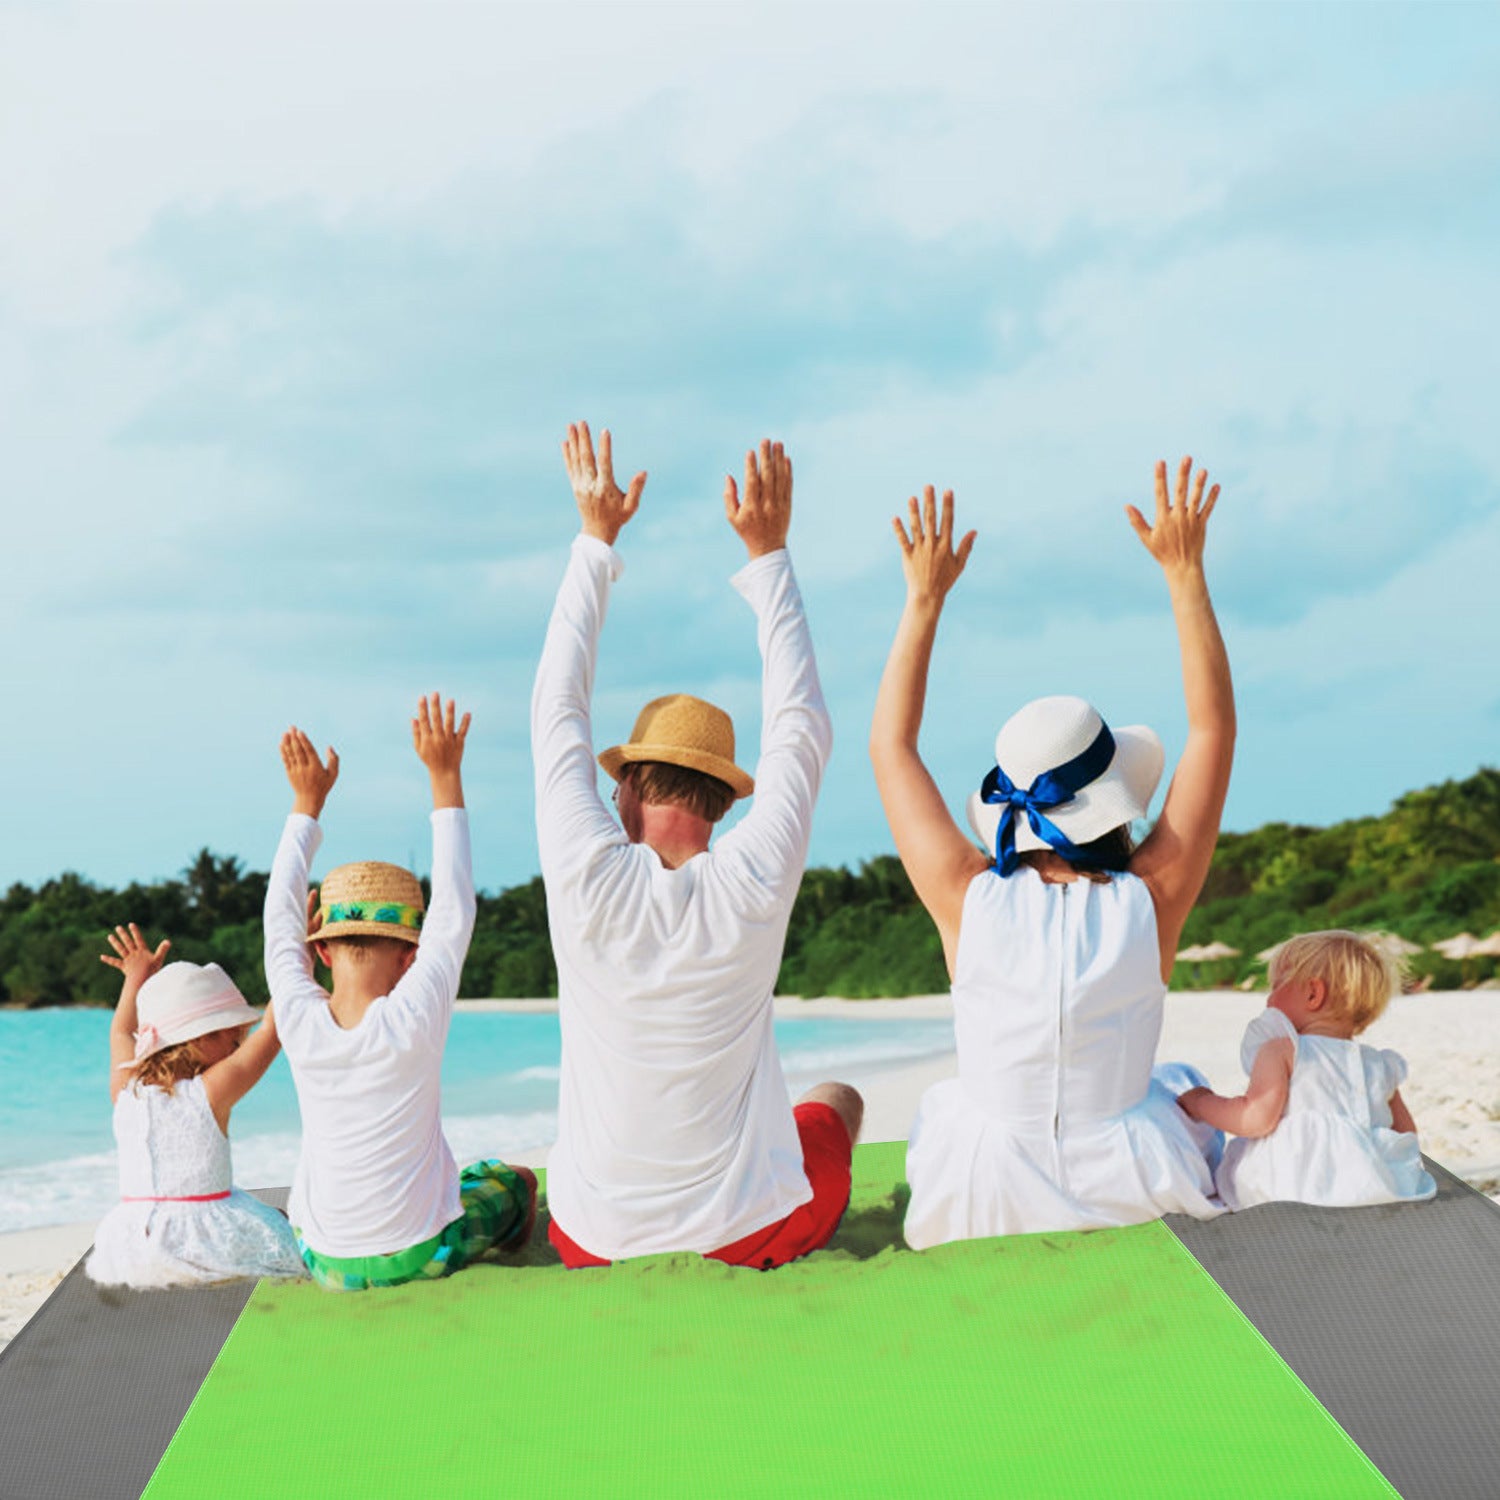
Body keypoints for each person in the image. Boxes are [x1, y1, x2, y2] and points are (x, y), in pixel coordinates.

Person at [870, 461, 1233, 1248]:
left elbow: (891, 746)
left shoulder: (965, 895)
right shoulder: (1153, 895)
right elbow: (1212, 729)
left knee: (955, 1102)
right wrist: (1184, 573)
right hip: (1132, 1179)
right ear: (1113, 799)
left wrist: (924, 598)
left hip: (982, 1191)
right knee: (1179, 1090)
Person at [533, 421, 861, 1269]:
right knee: (837, 1101)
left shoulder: (586, 876)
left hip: (592, 1242)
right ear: (722, 796)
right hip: (746, 1238)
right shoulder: (754, 876)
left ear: (630, 788)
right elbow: (800, 727)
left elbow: (557, 712)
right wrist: (769, 554)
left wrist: (595, 540)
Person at [264, 695, 537, 1291]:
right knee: (515, 1181)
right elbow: (455, 907)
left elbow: (278, 921)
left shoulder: (297, 1017)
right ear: (410, 956)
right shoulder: (415, 1014)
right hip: (421, 1256)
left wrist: (306, 804)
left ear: (321, 952)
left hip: (326, 1265)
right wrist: (444, 774)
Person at [88, 926, 304, 1288]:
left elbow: (121, 1033)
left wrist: (135, 978)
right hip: (207, 1244)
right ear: (202, 1036)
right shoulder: (210, 1091)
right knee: (279, 1222)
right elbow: (272, 1030)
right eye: (234, 1040)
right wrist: (298, 958)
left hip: (131, 1248)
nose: (238, 1049)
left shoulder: (125, 1090)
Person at [1178, 931, 1437, 1209]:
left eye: (1276, 986)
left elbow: (1254, 1119)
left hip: (1296, 1189)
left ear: (1313, 993)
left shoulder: (1283, 1050)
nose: (1269, 999)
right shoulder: (1380, 1063)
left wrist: (1201, 1102)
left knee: (1231, 1181)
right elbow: (1406, 1133)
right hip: (1376, 1188)